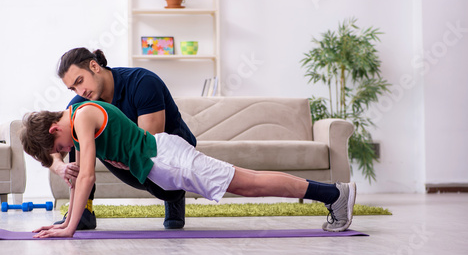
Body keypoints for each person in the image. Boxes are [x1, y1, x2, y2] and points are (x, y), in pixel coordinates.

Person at [20, 100, 357, 238]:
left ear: (54, 129)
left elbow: (89, 175)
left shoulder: (81, 116)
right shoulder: (76, 114)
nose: (65, 152)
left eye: (60, 148)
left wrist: (69, 229)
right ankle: (332, 195)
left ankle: (334, 194)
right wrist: (67, 218)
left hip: (168, 160)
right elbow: (80, 176)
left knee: (249, 184)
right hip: (164, 162)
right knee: (246, 183)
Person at [49, 47, 194, 229]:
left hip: (167, 153)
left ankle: (175, 198)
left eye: (80, 81)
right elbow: (56, 148)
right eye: (73, 88)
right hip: (128, 154)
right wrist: (60, 167)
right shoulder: (80, 104)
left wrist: (119, 155)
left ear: (94, 66)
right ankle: (84, 212)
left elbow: (150, 148)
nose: (80, 92)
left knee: (169, 191)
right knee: (75, 129)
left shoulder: (143, 82)